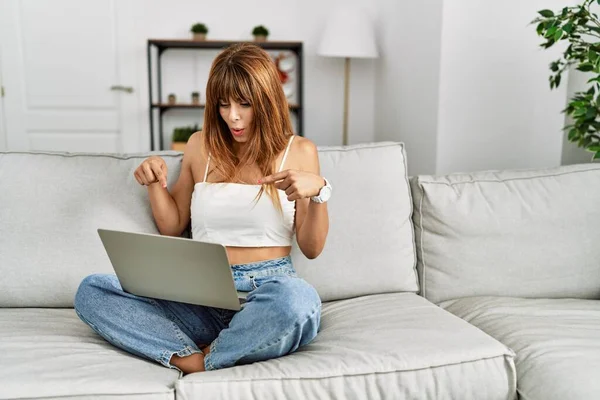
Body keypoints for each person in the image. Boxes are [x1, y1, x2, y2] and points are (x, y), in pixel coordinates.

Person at [73, 43, 332, 374]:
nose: (232, 116)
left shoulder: (300, 151)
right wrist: (155, 182)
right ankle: (193, 357)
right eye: (223, 104)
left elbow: (311, 248)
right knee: (92, 291)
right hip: (201, 297)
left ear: (266, 101)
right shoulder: (200, 145)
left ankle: (210, 355)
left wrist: (320, 191)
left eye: (244, 104)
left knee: (299, 302)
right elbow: (173, 224)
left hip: (266, 291)